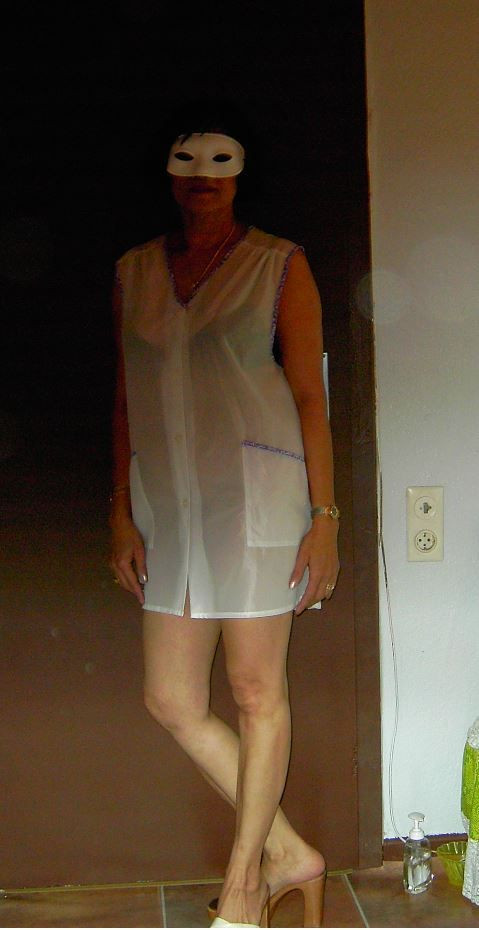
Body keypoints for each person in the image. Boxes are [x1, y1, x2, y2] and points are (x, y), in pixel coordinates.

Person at [109, 100, 340, 929]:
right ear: (166, 171)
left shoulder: (278, 263)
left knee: (253, 688)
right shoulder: (134, 270)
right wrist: (118, 511)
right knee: (170, 697)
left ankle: (245, 886)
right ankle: (290, 854)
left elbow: (308, 394)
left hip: (259, 497)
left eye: (220, 160)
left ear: (243, 172)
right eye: (186, 160)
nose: (202, 176)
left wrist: (324, 517)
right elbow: (125, 396)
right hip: (166, 505)